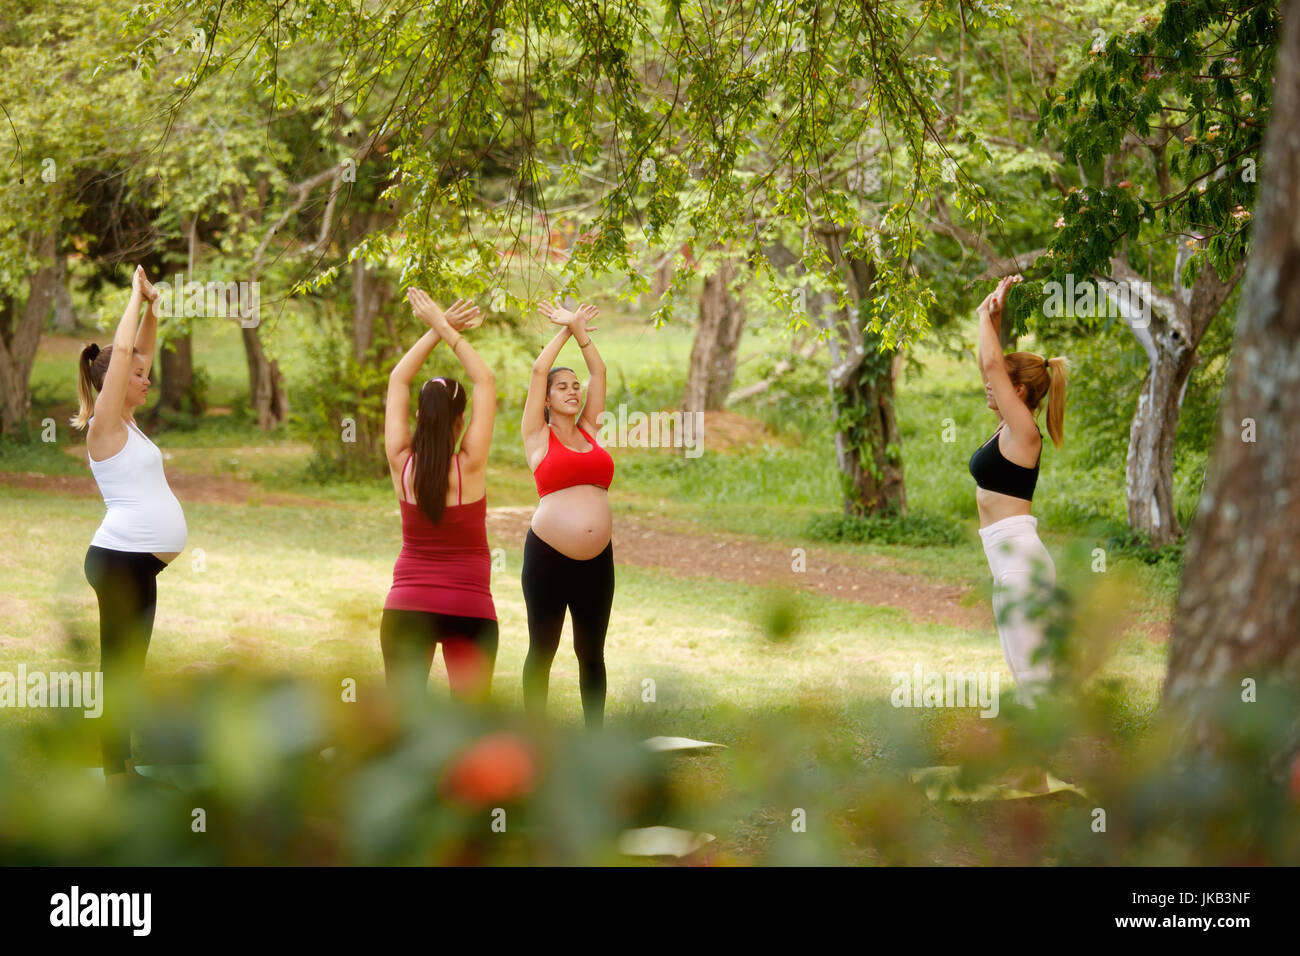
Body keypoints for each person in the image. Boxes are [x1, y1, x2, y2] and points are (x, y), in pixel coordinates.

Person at [71, 265, 185, 785]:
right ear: (113, 384)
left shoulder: (130, 426)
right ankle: (114, 774)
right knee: (116, 672)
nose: (147, 379)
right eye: (137, 376)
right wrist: (134, 298)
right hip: (118, 561)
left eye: (146, 374)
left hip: (138, 565)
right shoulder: (104, 426)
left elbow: (138, 351)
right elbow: (124, 353)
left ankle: (124, 769)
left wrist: (154, 311)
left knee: (129, 671)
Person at [380, 289, 498, 704]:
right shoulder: (470, 466)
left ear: (418, 416)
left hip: (406, 605)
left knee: (403, 718)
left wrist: (435, 327)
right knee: (470, 722)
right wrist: (445, 328)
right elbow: (485, 380)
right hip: (469, 607)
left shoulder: (401, 462)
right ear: (461, 420)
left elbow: (398, 379)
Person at [972, 274, 1068, 704]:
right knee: (1022, 671)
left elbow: (994, 367)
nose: (987, 385)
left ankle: (1056, 744)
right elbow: (989, 366)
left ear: (1020, 390)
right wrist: (993, 319)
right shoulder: (1007, 427)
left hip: (1020, 565)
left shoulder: (1025, 432)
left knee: (1033, 677)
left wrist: (982, 316)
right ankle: (1038, 751)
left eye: (999, 383)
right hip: (1007, 561)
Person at [519, 300, 614, 729]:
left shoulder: (590, 431)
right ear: (546, 399)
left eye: (575, 386)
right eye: (563, 387)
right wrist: (565, 329)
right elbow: (539, 371)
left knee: (591, 653)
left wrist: (581, 331)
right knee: (543, 649)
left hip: (598, 561)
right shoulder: (538, 436)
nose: (573, 391)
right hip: (548, 557)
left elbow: (600, 373)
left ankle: (595, 738)